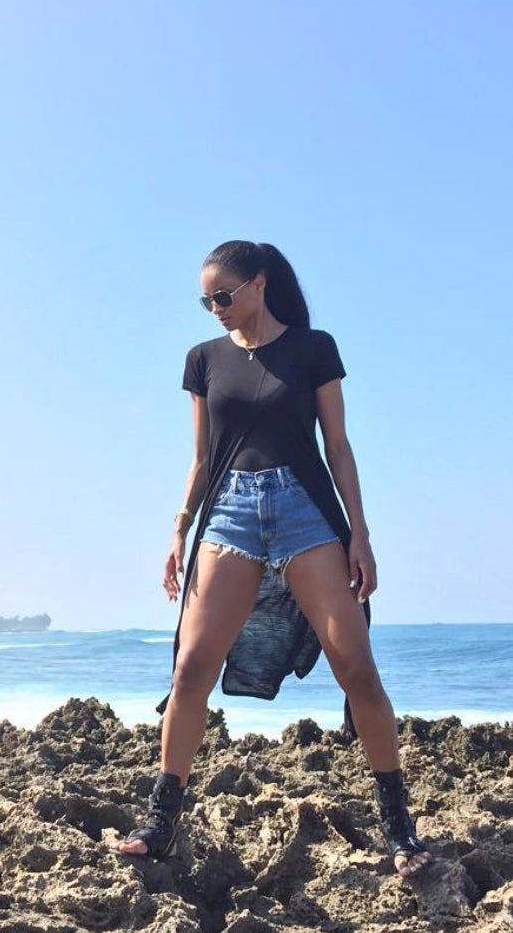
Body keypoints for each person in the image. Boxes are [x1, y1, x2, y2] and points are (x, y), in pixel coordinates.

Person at [109, 240, 430, 879]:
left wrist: (359, 534)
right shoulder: (203, 359)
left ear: (258, 283)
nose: (215, 309)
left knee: (356, 667)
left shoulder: (314, 349)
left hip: (304, 512)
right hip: (229, 514)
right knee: (190, 669)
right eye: (206, 301)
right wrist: (179, 530)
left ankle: (398, 825)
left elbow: (338, 447)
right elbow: (202, 458)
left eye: (223, 296)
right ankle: (161, 823)